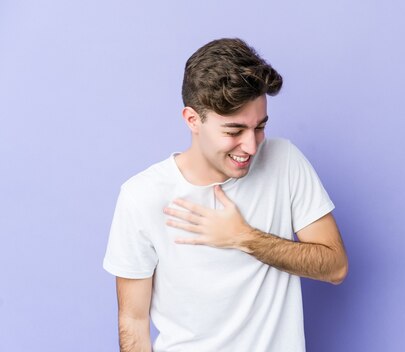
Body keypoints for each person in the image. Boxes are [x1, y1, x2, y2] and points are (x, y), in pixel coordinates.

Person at [103, 38, 348, 352]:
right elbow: (133, 324)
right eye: (234, 131)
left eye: (260, 127)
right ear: (192, 120)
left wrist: (244, 238)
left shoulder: (285, 161)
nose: (251, 146)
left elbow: (335, 267)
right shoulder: (142, 197)